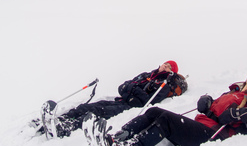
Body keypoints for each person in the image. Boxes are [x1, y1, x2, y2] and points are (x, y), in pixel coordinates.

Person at [97, 68, 247, 146]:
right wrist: (207, 102)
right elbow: (216, 107)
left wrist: (243, 114)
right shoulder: (233, 92)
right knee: (155, 111)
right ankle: (118, 138)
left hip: (213, 138)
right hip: (201, 126)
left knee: (166, 120)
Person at [41, 60, 182, 138]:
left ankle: (66, 128)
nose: (166, 66)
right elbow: (122, 87)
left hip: (128, 107)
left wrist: (131, 91)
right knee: (86, 106)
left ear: (171, 72)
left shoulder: (163, 85)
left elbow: (146, 102)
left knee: (96, 111)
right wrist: (131, 91)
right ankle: (60, 119)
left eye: (169, 67)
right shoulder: (146, 75)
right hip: (122, 100)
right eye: (166, 63)